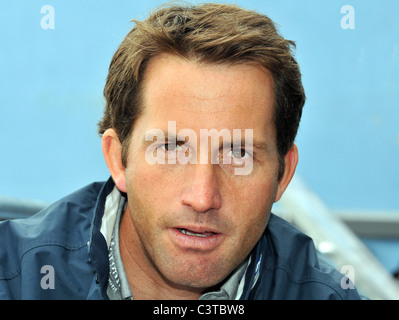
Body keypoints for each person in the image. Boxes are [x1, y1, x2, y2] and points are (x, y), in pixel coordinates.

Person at [0, 2, 362, 300]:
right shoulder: (14, 280)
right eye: (172, 148)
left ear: (282, 174)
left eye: (238, 155)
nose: (203, 198)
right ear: (117, 158)